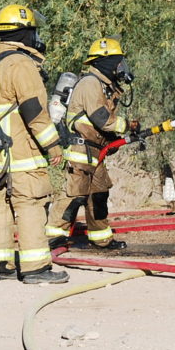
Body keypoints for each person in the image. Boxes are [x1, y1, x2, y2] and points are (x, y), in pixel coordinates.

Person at [0, 5, 67, 283]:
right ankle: (36, 268)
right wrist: (53, 145)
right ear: (24, 33)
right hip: (18, 152)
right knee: (30, 203)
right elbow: (34, 111)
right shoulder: (20, 63)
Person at [46, 37, 138, 251]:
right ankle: (53, 236)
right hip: (80, 150)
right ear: (105, 62)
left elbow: (101, 125)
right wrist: (127, 125)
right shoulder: (90, 83)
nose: (121, 66)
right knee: (75, 194)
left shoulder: (105, 86)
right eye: (118, 61)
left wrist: (115, 140)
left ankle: (101, 238)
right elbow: (101, 118)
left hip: (96, 151)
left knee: (99, 195)